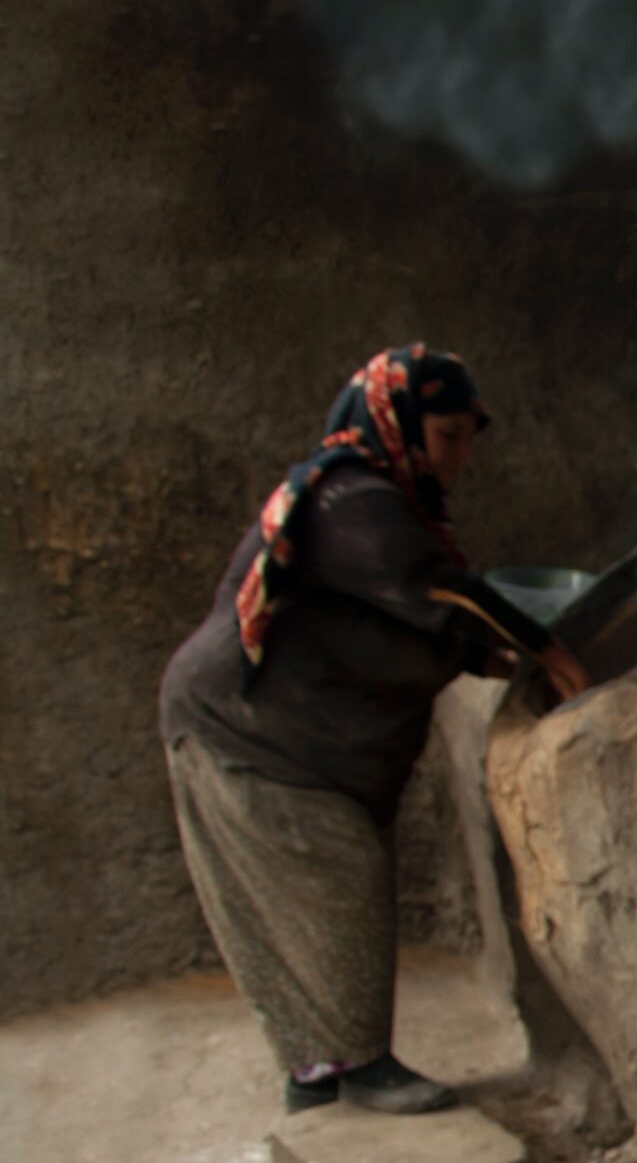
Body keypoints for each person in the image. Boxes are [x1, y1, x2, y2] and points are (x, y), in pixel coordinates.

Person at [158, 344, 589, 1115]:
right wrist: (551, 651)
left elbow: (414, 633)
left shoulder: (389, 503)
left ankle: (317, 1070)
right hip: (245, 735)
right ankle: (359, 1065)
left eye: (466, 438)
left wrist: (507, 664)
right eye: (448, 435)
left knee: (322, 897)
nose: (460, 456)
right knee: (340, 885)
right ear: (399, 422)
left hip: (282, 743)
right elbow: (444, 597)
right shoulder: (351, 498)